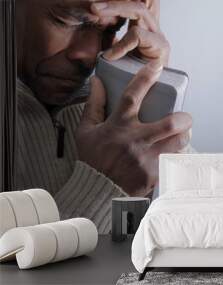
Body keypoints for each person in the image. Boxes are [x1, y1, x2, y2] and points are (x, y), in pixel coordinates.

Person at [15, 0, 193, 233]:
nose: (90, 55)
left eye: (111, 30)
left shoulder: (105, 97)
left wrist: (148, 107)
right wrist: (103, 187)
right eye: (68, 20)